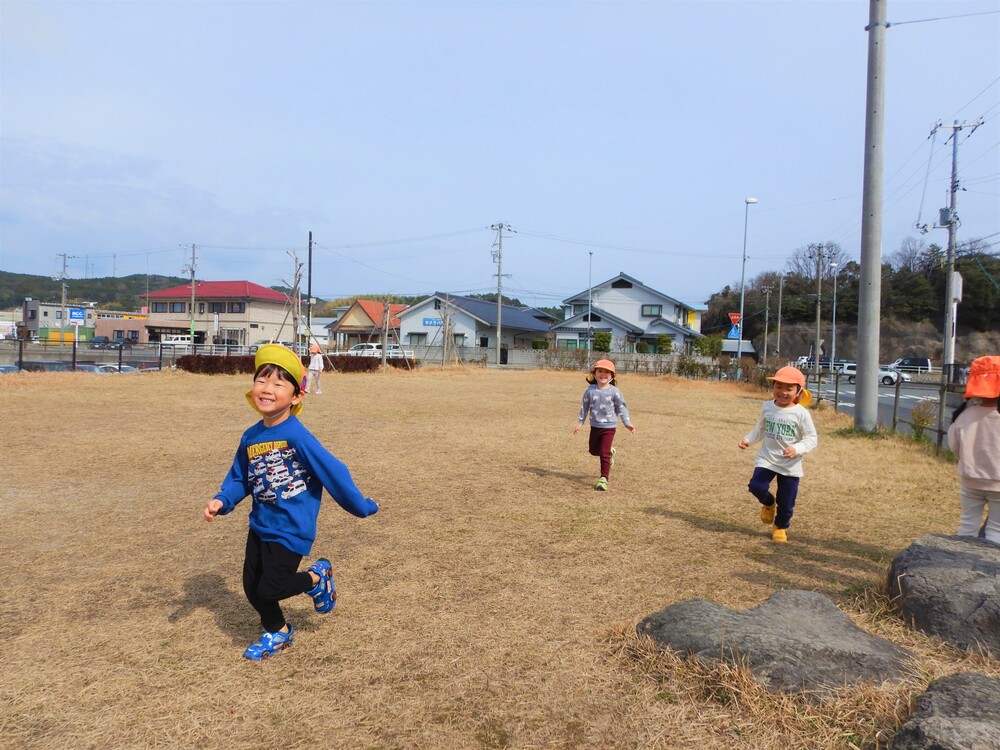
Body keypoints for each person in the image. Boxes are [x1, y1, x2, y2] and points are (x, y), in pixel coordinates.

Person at [203, 344, 379, 660]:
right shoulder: (250, 437)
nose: (267, 389)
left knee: (271, 587)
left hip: (291, 528)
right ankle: (279, 633)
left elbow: (333, 472)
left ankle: (317, 577)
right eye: (262, 380)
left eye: (278, 383)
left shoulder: (297, 437)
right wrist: (222, 500)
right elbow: (240, 477)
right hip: (261, 524)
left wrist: (361, 506)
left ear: (296, 396)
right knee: (251, 587)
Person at [738, 365, 818, 543]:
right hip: (767, 458)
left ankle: (780, 527)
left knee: (787, 501)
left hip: (790, 464)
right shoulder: (767, 407)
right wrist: (748, 440)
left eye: (789, 388)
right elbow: (760, 429)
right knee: (756, 486)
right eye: (778, 386)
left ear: (798, 391)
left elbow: (811, 439)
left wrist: (796, 448)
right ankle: (768, 503)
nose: (782, 392)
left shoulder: (801, 414)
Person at [947, 355, 1000, 545]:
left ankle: (959, 559)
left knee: (967, 526)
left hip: (970, 480)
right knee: (996, 531)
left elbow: (954, 446)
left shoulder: (964, 415)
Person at [572, 358, 635, 491]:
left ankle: (603, 478)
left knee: (603, 453)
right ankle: (611, 452)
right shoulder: (590, 390)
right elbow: (584, 407)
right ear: (594, 374)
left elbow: (622, 408)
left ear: (612, 376)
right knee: (594, 451)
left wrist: (627, 423)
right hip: (595, 426)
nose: (603, 374)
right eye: (600, 371)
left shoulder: (615, 392)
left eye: (607, 372)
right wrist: (580, 422)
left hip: (609, 426)